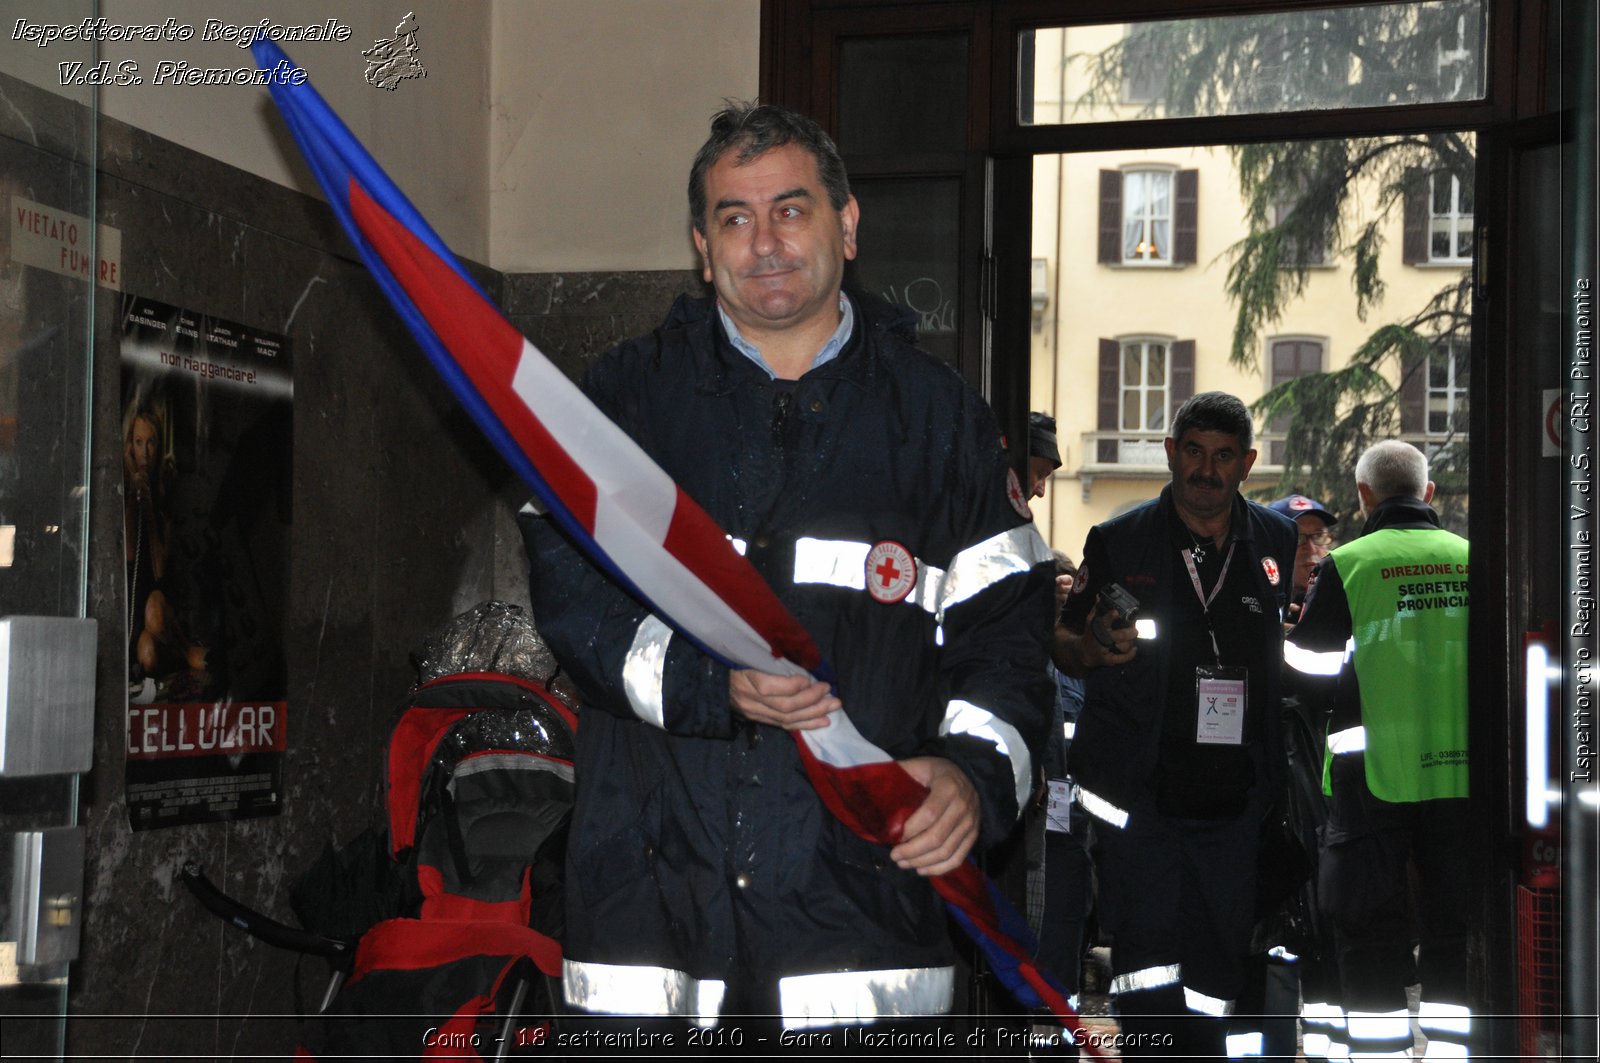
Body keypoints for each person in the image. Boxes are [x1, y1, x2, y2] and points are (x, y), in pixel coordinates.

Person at [519, 101, 1055, 1033]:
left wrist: (972, 776)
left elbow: (1007, 640)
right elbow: (565, 588)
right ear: (701, 246)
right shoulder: (622, 403)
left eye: (791, 210)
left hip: (864, 930)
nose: (763, 242)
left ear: (847, 227)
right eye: (734, 217)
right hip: (651, 926)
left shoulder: (941, 423)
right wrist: (705, 682)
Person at [1055, 391, 1298, 1058]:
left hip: (1235, 799)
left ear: (1247, 463)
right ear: (1170, 451)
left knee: (1217, 964)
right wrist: (1092, 649)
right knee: (1147, 962)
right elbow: (1065, 640)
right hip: (1141, 799)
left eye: (1223, 456)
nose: (1206, 470)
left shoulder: (1276, 539)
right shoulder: (1119, 538)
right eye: (1193, 451)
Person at [1287, 440, 1473, 1060]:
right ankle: (1451, 1054)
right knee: (1455, 935)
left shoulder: (1352, 564)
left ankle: (1380, 1055)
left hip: (1371, 782)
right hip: (1460, 780)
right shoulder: (1472, 558)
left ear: (1364, 496)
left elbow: (1309, 670)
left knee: (1367, 936)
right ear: (1429, 494)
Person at [122, 404, 206, 690]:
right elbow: (129, 554)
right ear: (129, 448)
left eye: (151, 443)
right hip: (135, 615)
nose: (145, 452)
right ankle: (176, 659)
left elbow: (158, 567)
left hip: (160, 604)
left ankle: (185, 650)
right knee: (146, 654)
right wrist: (135, 493)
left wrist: (148, 502)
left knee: (155, 609)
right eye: (138, 443)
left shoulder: (166, 493)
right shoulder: (123, 491)